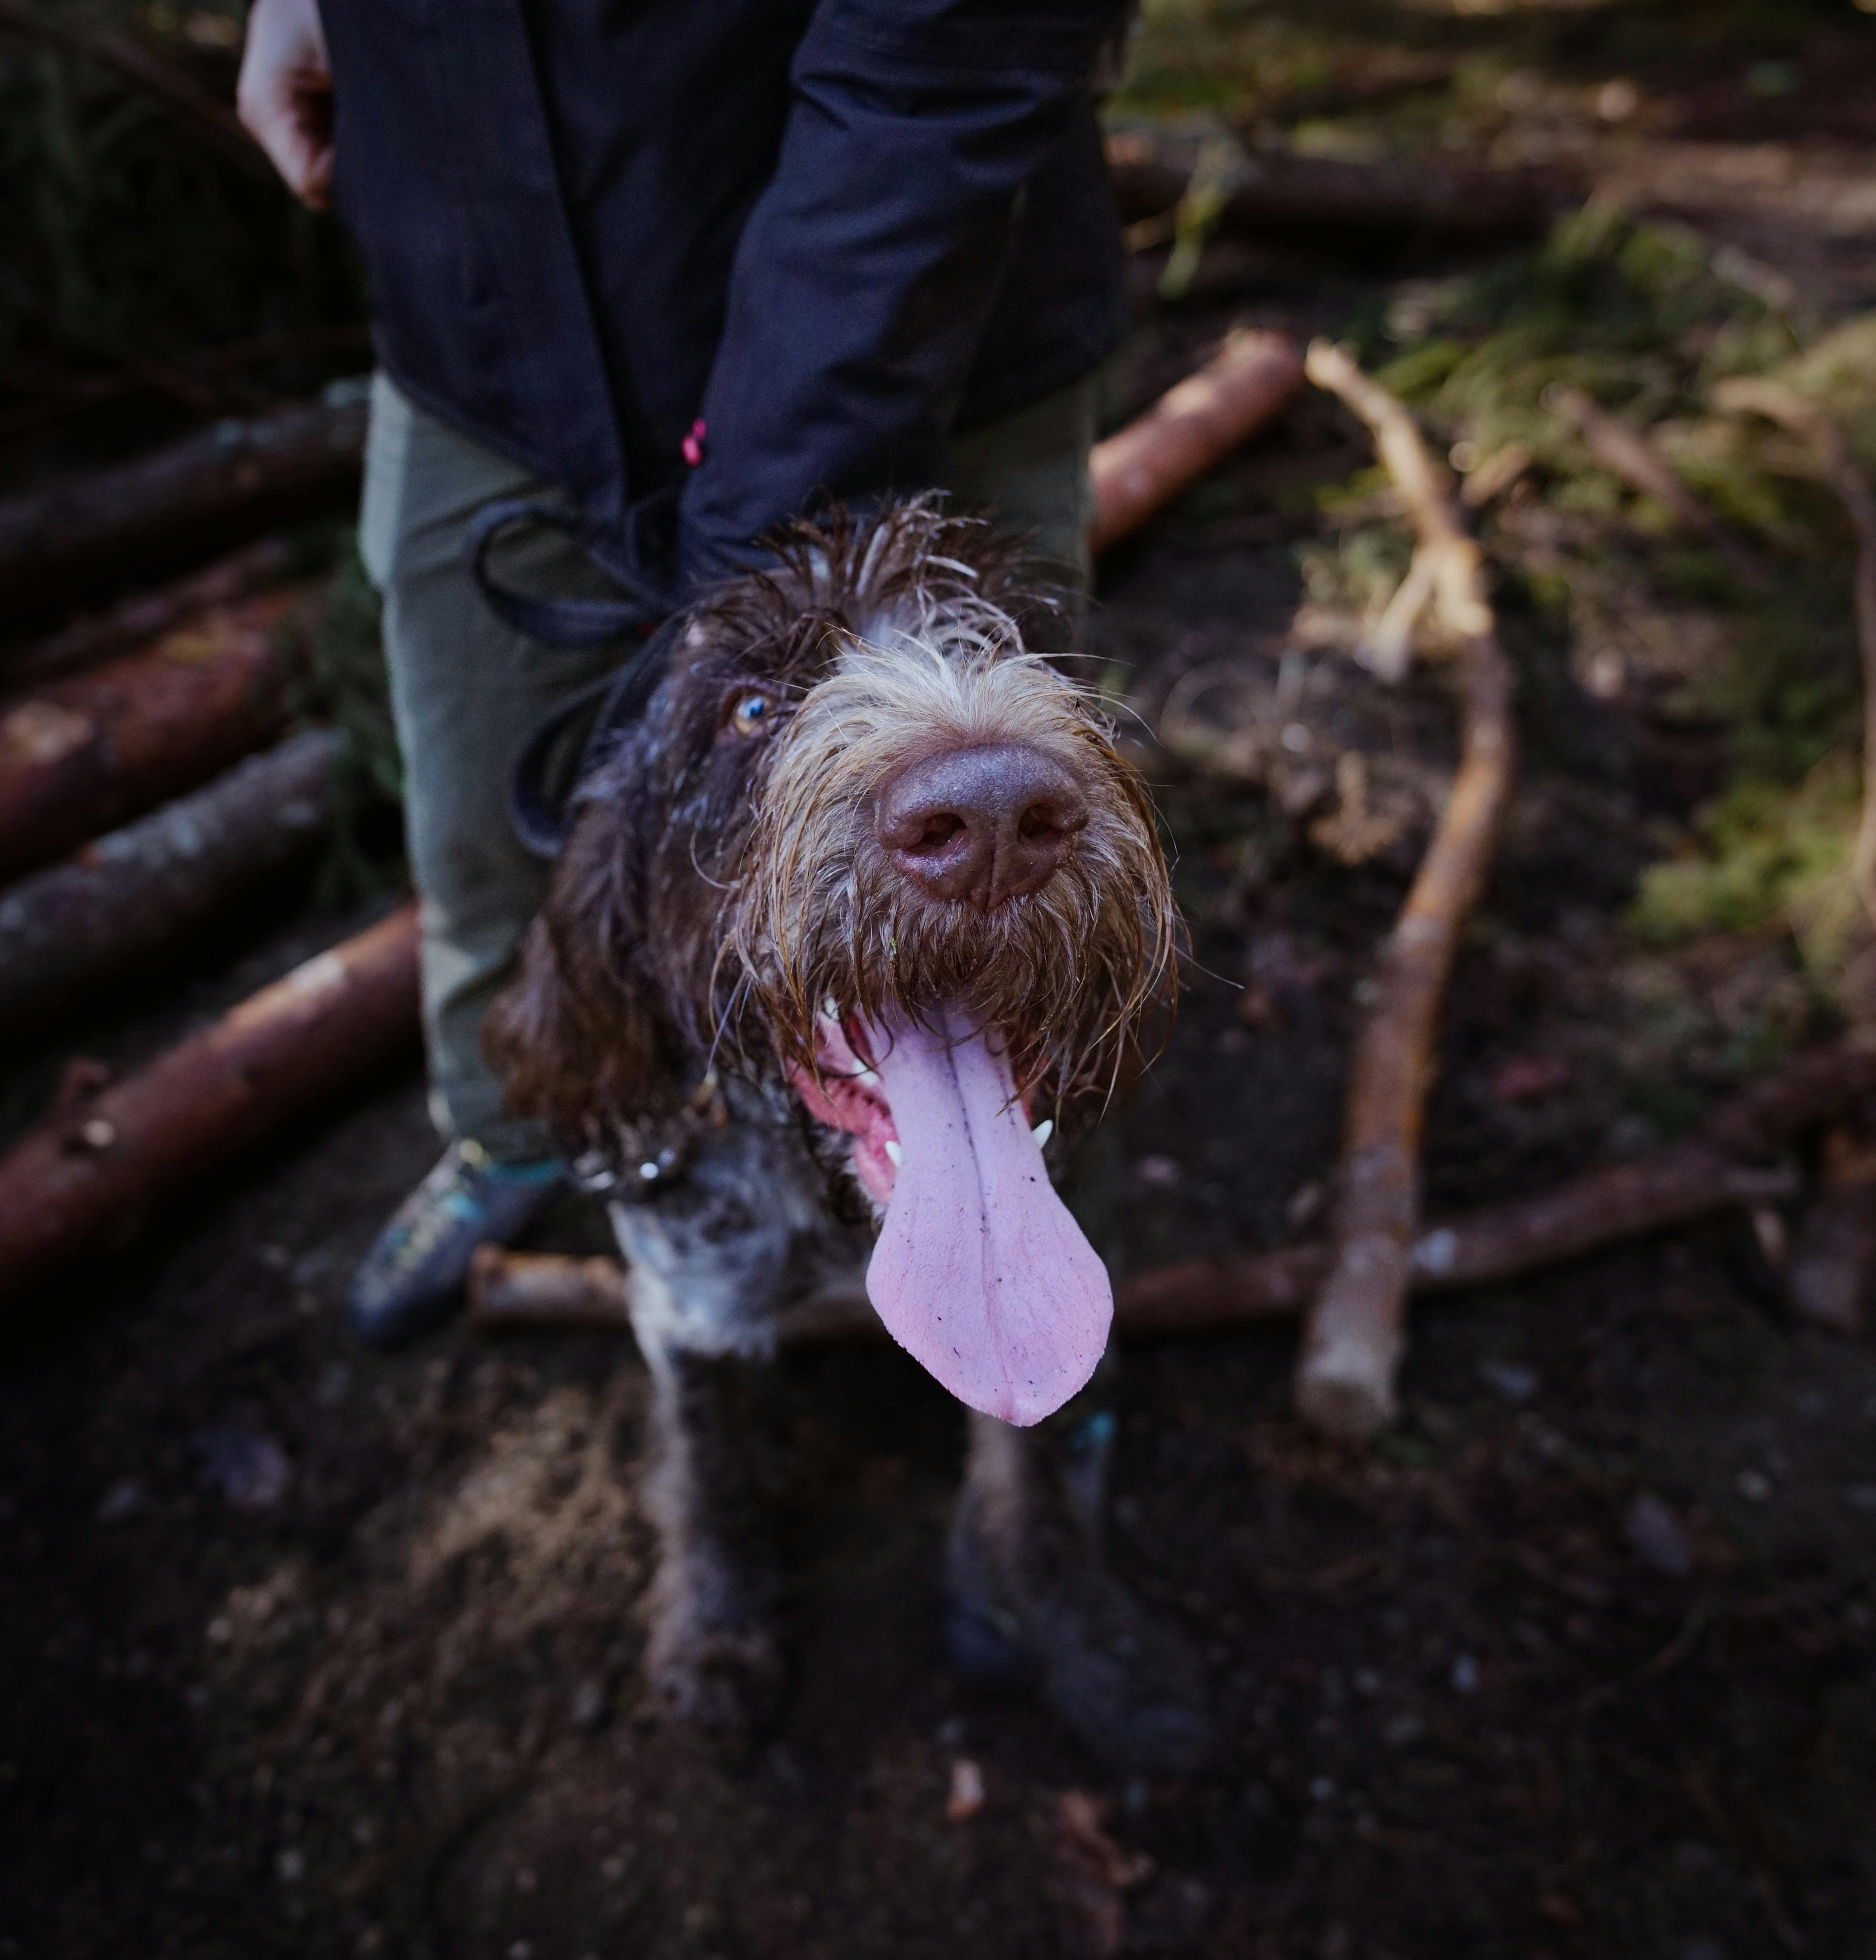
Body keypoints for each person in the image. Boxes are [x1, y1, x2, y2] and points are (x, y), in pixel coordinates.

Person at [237, 0, 1135, 1345]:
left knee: (1012, 869)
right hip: (485, 342)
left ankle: (1028, 1252)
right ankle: (527, 1141)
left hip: (932, 298)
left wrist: (763, 525)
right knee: (490, 842)